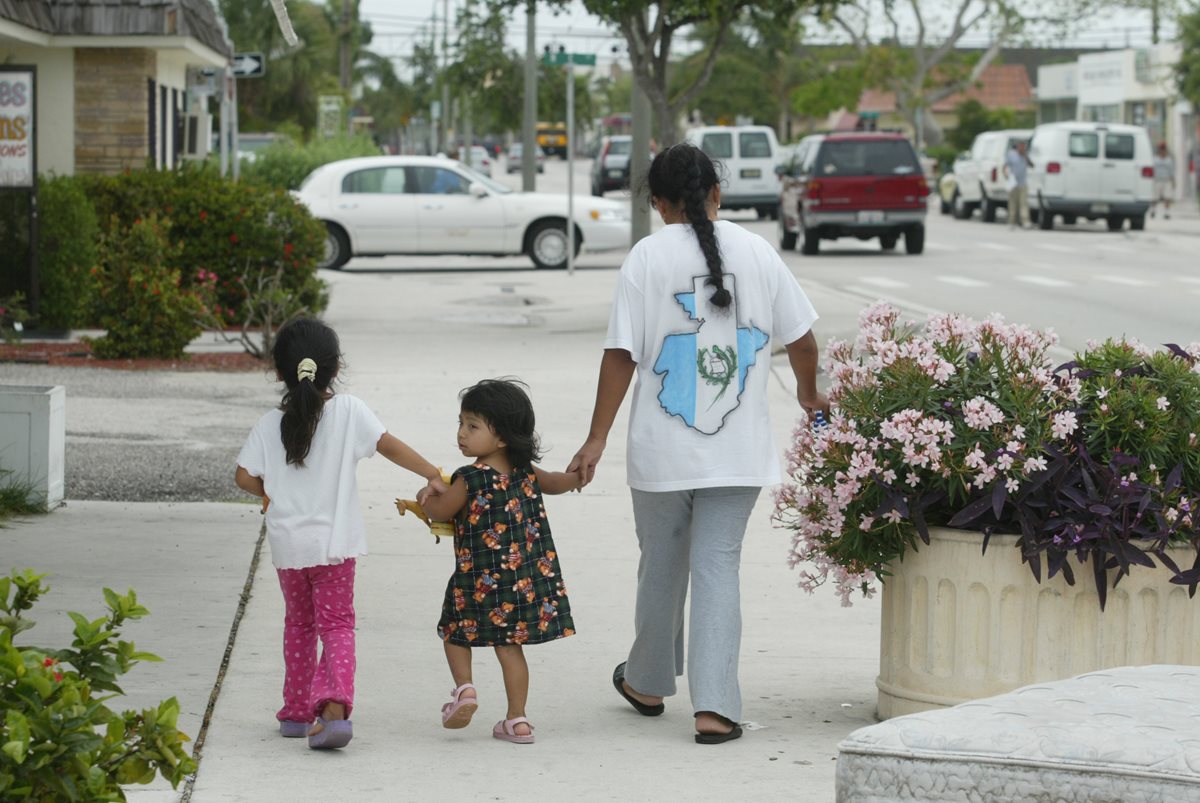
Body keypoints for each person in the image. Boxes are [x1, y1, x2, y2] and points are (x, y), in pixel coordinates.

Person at [567, 143, 828, 745]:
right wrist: (810, 397)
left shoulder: (645, 257)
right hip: (737, 452)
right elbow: (804, 341)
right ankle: (714, 708)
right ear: (717, 192)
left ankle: (649, 683)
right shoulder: (758, 251)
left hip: (662, 452)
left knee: (660, 563)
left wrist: (597, 437)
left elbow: (620, 355)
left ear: (658, 203)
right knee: (718, 567)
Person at [234, 317, 447, 750]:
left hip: (288, 548)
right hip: (334, 548)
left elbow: (242, 476)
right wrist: (431, 473)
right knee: (336, 625)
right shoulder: (350, 412)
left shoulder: (268, 424)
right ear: (336, 367)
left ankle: (295, 714)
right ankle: (332, 711)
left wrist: (269, 493)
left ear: (279, 371)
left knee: (298, 624)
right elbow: (388, 445)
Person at [419, 379, 579, 745]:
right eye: (460, 423)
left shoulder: (469, 478)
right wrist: (575, 479)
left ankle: (465, 691)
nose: (461, 434)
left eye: (472, 426)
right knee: (510, 648)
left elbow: (440, 510)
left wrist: (425, 496)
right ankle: (518, 720)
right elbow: (554, 482)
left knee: (454, 632)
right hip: (520, 586)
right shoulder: (526, 473)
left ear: (503, 436)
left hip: (475, 581)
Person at [1004, 139, 1033, 229]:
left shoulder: (1025, 155)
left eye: (1024, 146)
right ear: (1017, 146)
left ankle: (1025, 221)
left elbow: (1032, 165)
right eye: (1021, 146)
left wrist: (1026, 156)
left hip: (1023, 183)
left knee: (1024, 203)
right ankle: (1011, 221)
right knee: (1012, 203)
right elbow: (1005, 166)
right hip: (1013, 183)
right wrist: (1006, 175)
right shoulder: (1011, 154)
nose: (1022, 148)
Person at [1152, 141, 1175, 219]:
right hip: (1157, 180)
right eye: (1161, 149)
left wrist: (1173, 181)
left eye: (1163, 149)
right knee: (1154, 197)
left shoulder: (1169, 160)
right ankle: (1153, 211)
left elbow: (1171, 171)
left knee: (1167, 197)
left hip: (1166, 180)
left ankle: (1166, 212)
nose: (1162, 151)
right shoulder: (1155, 159)